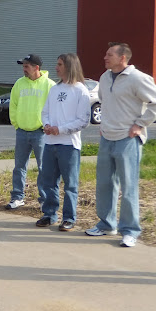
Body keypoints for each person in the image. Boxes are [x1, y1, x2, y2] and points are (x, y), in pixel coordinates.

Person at [87, 42, 156, 247]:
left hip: (128, 139)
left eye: (109, 54)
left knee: (128, 186)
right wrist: (104, 124)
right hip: (107, 137)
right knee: (104, 183)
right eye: (105, 53)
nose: (105, 57)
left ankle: (130, 231)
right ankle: (106, 224)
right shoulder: (104, 78)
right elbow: (104, 101)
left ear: (123, 58)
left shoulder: (138, 78)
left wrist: (140, 124)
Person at [34, 54, 91, 231]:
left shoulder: (80, 90)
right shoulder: (54, 89)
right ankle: (50, 214)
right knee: (48, 181)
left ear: (69, 66)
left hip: (69, 145)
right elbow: (45, 112)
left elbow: (83, 120)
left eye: (59, 64)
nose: (56, 67)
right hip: (50, 143)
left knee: (70, 184)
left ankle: (69, 218)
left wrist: (61, 129)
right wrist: (48, 125)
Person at [5, 54, 55, 210]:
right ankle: (17, 197)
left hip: (41, 133)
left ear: (36, 68)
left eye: (27, 66)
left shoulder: (49, 85)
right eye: (23, 66)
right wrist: (17, 124)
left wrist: (47, 125)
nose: (24, 69)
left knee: (43, 167)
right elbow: (13, 105)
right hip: (22, 132)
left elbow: (54, 109)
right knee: (19, 166)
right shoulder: (19, 84)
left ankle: (44, 199)